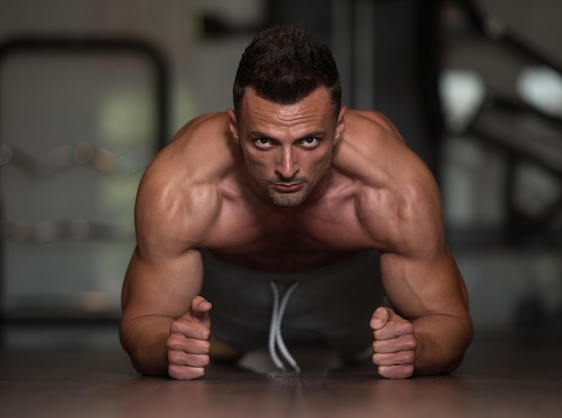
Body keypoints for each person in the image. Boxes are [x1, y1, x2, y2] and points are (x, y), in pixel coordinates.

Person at [119, 24, 472, 380]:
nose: (287, 168)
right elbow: (143, 321)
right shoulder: (180, 183)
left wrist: (415, 346)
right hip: (226, 313)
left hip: (350, 310)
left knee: (371, 349)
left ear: (338, 127)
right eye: (263, 142)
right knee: (206, 349)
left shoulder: (394, 187)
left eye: (309, 141)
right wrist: (168, 347)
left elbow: (449, 321)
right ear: (234, 128)